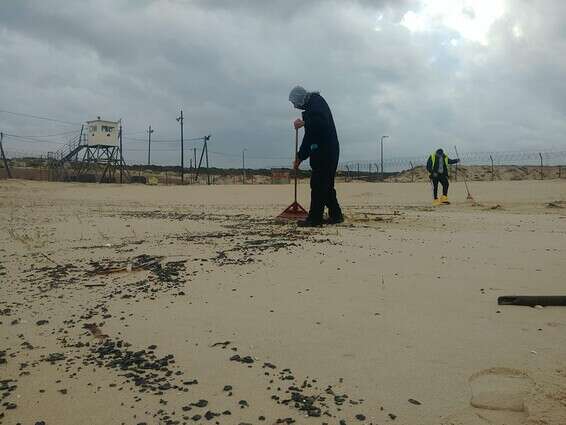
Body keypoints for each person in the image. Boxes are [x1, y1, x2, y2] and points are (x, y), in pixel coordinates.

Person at [289, 85, 343, 227]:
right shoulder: (311, 108)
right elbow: (309, 137)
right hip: (322, 151)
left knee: (319, 184)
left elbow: (322, 123)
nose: (295, 106)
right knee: (326, 185)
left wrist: (305, 122)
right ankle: (336, 216)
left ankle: (315, 218)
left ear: (300, 99)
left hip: (327, 151)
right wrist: (300, 157)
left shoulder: (317, 102)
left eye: (294, 103)